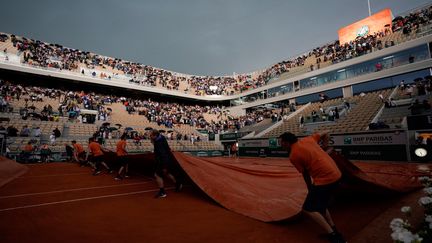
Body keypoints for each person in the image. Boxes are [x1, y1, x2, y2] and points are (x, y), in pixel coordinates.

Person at [279, 131, 346, 243]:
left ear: (287, 143)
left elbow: (305, 174)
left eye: (281, 142)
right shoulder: (308, 139)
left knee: (308, 208)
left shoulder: (294, 155)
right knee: (321, 204)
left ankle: (334, 236)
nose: (280, 145)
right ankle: (333, 228)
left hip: (326, 179)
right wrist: (324, 146)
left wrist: (310, 188)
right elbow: (327, 132)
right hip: (336, 173)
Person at [150, 129, 182, 198]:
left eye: (151, 135)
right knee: (167, 173)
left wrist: (163, 165)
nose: (150, 136)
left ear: (155, 135)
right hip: (167, 159)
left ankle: (162, 192)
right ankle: (178, 183)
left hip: (163, 160)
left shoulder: (158, 143)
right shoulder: (162, 137)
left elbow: (162, 154)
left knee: (157, 175)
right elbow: (166, 148)